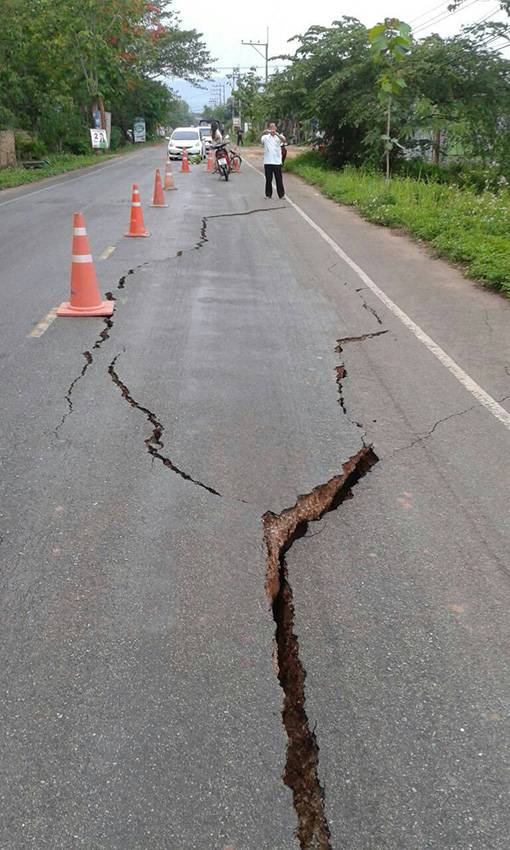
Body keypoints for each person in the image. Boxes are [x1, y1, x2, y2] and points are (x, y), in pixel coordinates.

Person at [261, 123, 286, 199]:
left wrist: (276, 134)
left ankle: (281, 195)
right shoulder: (265, 137)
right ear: (269, 128)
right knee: (268, 179)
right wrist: (264, 132)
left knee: (279, 179)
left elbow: (284, 140)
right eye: (271, 127)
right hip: (268, 162)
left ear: (276, 128)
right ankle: (268, 194)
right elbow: (260, 141)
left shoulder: (279, 136)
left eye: (273, 127)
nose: (272, 129)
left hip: (277, 162)